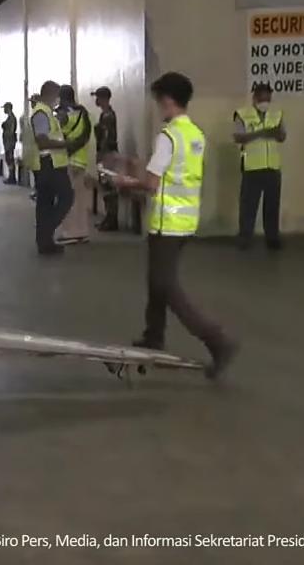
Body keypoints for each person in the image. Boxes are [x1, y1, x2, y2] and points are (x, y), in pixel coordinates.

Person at [112, 72, 239, 379]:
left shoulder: (168, 137)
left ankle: (217, 341)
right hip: (185, 221)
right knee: (156, 281)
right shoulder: (194, 133)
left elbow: (152, 184)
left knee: (166, 287)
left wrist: (123, 182)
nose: (158, 107)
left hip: (167, 222)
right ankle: (153, 335)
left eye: (158, 102)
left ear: (167, 100)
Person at [22, 81, 73, 255]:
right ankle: (45, 233)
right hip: (50, 164)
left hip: (48, 163)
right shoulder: (42, 113)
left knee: (45, 203)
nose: (58, 100)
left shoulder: (44, 112)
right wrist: (65, 144)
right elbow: (42, 141)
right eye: (57, 96)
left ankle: (45, 243)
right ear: (51, 94)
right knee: (66, 198)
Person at [233, 83, 285, 250]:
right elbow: (238, 137)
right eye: (262, 98)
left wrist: (276, 133)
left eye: (268, 99)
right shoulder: (242, 115)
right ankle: (245, 238)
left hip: (272, 167)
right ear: (255, 98)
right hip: (252, 167)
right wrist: (261, 133)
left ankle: (272, 238)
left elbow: (282, 136)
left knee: (272, 206)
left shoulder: (276, 115)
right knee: (248, 207)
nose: (265, 102)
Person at [55, 85, 95, 244]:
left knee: (66, 197)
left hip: (67, 160)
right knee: (80, 197)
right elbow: (86, 135)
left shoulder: (63, 114)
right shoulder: (84, 113)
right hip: (81, 159)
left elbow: (55, 134)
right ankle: (82, 230)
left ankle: (70, 232)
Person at [92, 86, 119, 231]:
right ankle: (109, 218)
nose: (96, 100)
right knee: (106, 186)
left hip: (107, 154)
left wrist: (101, 155)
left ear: (103, 98)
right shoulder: (105, 115)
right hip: (106, 153)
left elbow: (107, 138)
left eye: (98, 97)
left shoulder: (108, 116)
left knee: (109, 186)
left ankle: (112, 219)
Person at [1, 102, 18, 184]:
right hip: (8, 142)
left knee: (10, 159)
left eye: (5, 108)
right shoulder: (9, 117)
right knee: (8, 159)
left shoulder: (12, 118)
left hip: (9, 142)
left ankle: (12, 177)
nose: (4, 110)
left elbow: (11, 131)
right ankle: (11, 176)